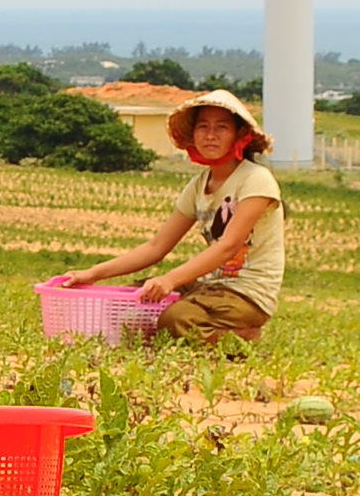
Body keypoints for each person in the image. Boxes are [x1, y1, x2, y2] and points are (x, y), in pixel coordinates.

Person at [60, 91, 284, 347]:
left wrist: (170, 280)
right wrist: (93, 274)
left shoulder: (256, 179)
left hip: (246, 294)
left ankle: (243, 339)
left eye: (221, 127)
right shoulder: (198, 185)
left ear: (238, 134)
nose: (211, 135)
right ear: (193, 135)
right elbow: (156, 247)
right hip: (209, 287)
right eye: (203, 127)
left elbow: (228, 247)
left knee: (176, 319)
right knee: (135, 300)